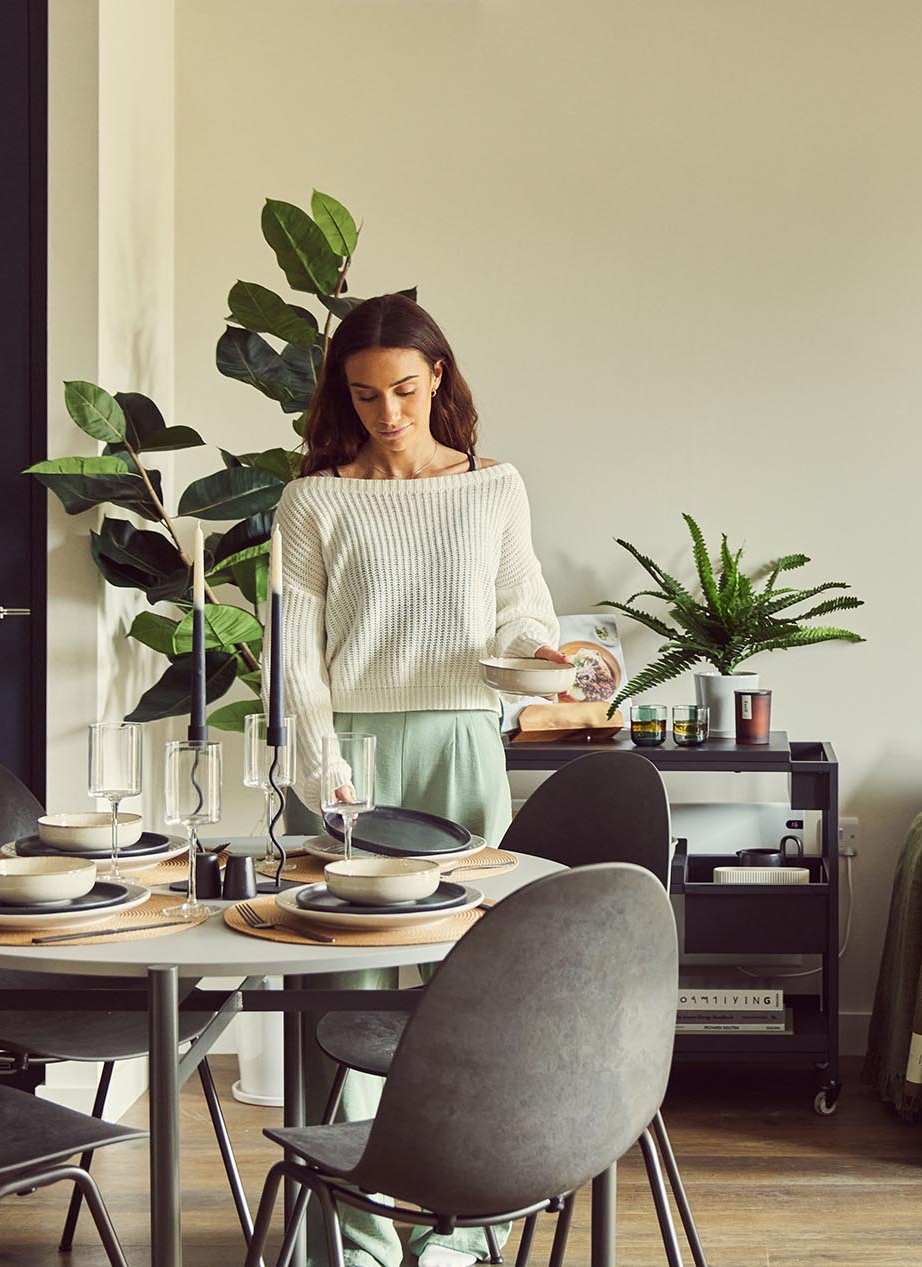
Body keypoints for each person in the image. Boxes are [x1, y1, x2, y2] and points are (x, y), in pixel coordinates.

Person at [277, 293, 565, 1267]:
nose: (387, 412)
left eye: (404, 388)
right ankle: (356, 1237)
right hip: (350, 747)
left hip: (460, 741)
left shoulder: (496, 488)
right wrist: (327, 773)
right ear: (341, 396)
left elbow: (521, 613)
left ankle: (458, 1230)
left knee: (467, 990)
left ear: (439, 376)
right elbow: (295, 661)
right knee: (340, 992)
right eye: (364, 396)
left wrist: (547, 653)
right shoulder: (314, 498)